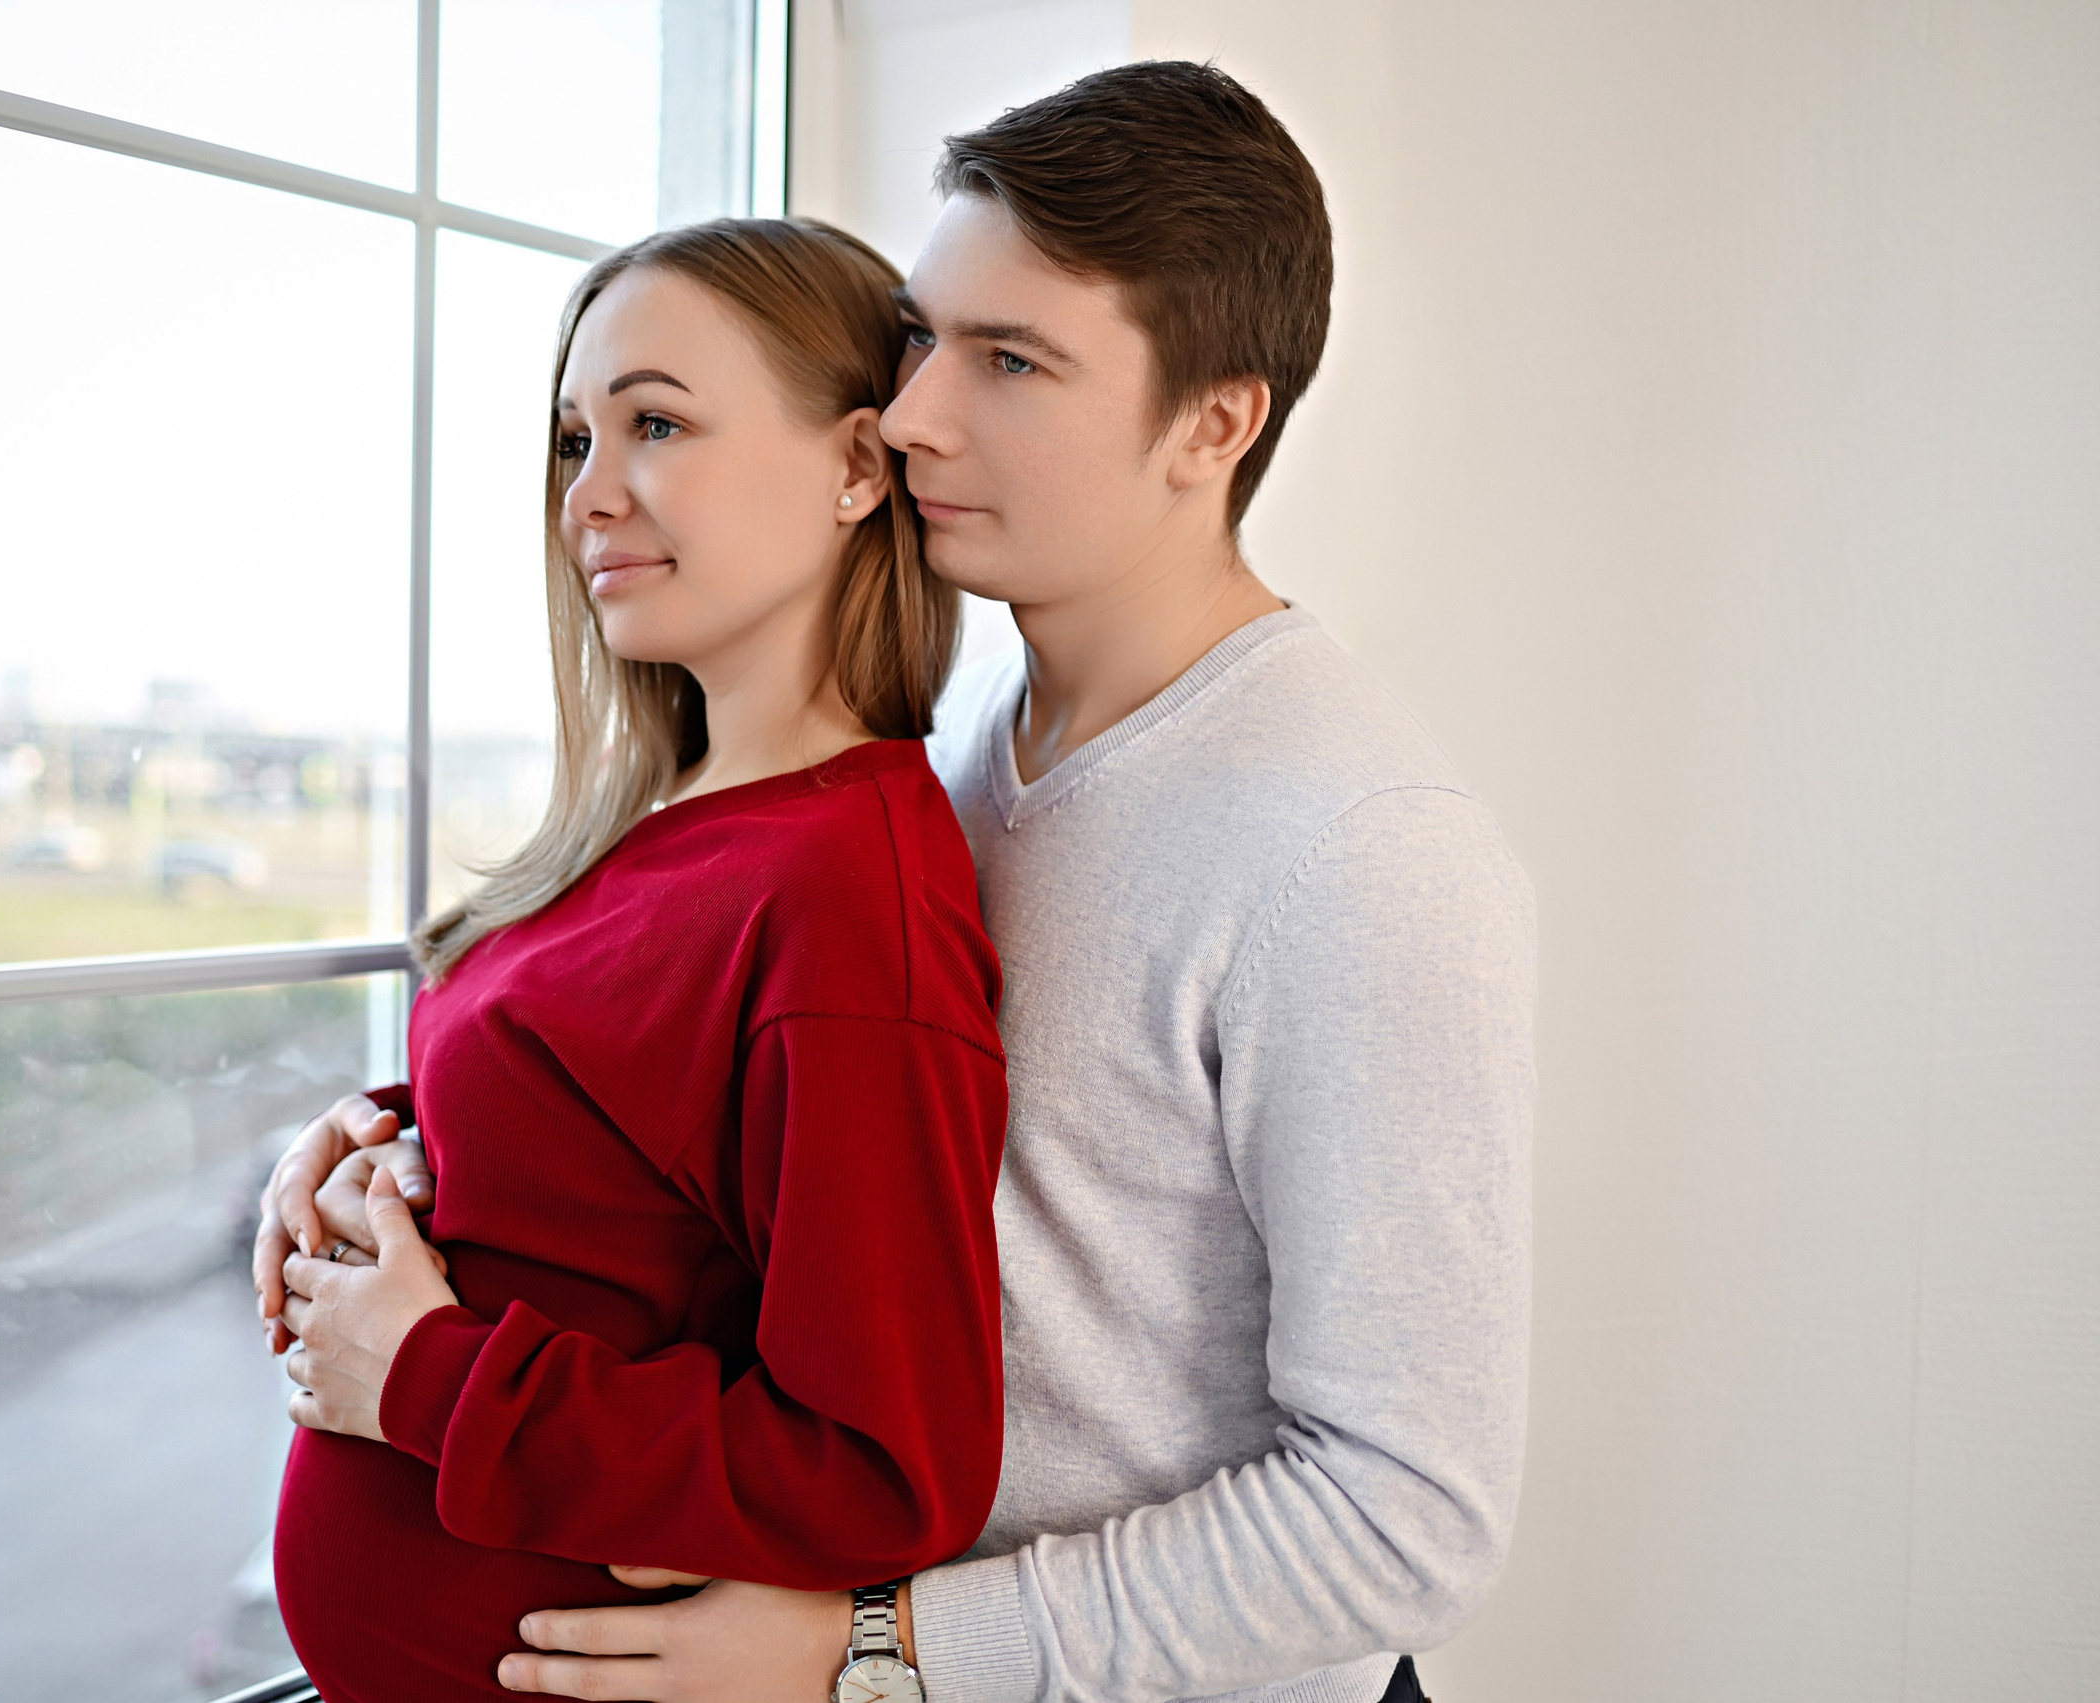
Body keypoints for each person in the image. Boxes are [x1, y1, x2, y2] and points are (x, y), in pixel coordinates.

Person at [268, 61, 1536, 1703]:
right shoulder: (961, 756)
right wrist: (403, 1138)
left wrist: (878, 1647)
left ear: (1214, 424)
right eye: (927, 337)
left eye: (1010, 361)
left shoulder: (1355, 851)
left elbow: (1406, 1521)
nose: (918, 410)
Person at [255, 217, 1012, 1703]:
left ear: (860, 469)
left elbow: (883, 1471)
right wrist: (377, 1140)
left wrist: (426, 1378)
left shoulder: (847, 899)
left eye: (655, 423)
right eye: (572, 437)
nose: (588, 497)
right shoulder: (682, 811)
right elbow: (631, 1140)